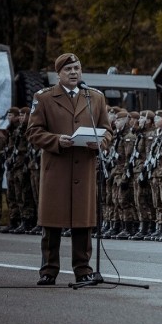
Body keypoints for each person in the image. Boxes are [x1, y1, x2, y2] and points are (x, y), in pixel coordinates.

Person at [26, 53, 112, 286]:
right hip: (57, 168)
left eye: (77, 68)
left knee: (83, 222)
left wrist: (100, 143)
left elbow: (107, 130)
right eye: (68, 69)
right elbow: (33, 132)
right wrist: (56, 140)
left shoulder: (94, 97)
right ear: (58, 74)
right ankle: (49, 270)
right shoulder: (43, 98)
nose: (74, 72)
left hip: (84, 168)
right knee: (52, 223)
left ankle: (83, 269)